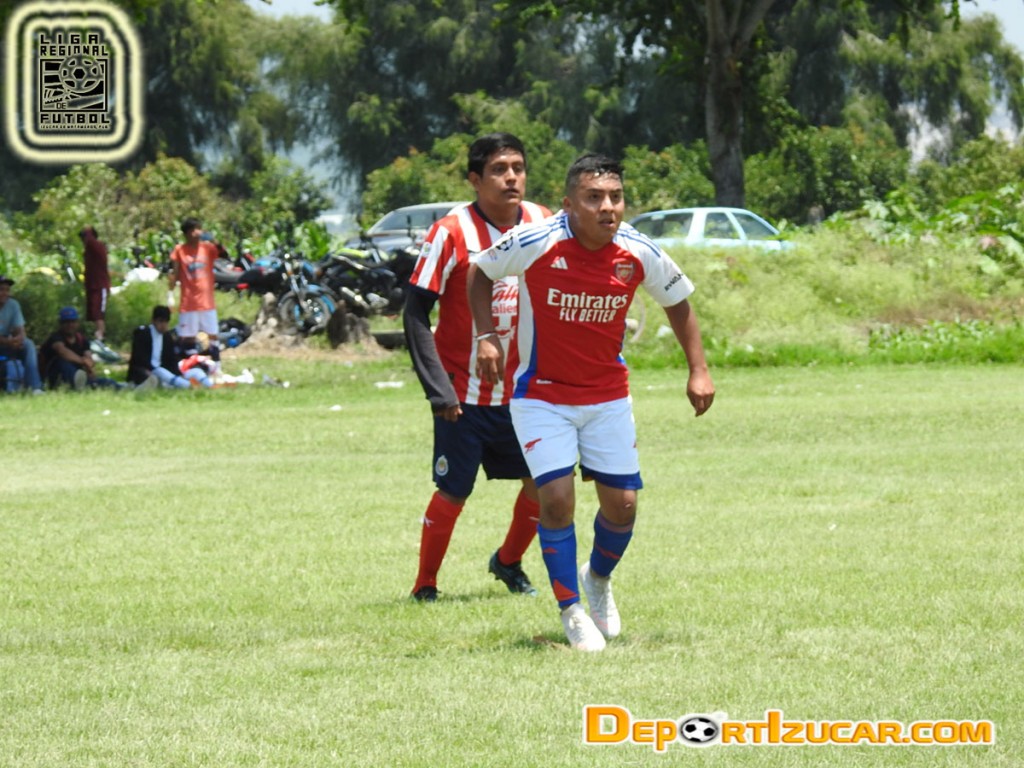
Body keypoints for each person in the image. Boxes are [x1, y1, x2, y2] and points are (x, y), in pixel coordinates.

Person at [468, 153, 715, 651]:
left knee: (623, 508)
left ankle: (596, 579)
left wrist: (699, 369)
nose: (608, 207)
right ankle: (571, 609)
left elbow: (678, 302)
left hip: (607, 396)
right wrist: (486, 336)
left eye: (616, 197)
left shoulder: (637, 250)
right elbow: (481, 271)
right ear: (568, 204)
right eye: (594, 197)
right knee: (556, 499)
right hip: (542, 396)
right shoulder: (537, 241)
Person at [403, 132, 553, 602]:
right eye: (498, 169)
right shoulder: (451, 232)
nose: (511, 178)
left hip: (524, 391)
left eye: (518, 168)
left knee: (544, 484)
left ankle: (508, 561)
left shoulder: (543, 222)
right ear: (475, 179)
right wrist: (438, 390)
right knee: (454, 491)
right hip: (463, 394)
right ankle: (425, 584)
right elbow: (415, 312)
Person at [40, 306, 125, 390]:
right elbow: (61, 350)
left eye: (73, 322)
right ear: (61, 323)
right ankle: (81, 383)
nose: (70, 325)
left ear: (77, 323)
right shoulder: (55, 338)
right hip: (55, 376)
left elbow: (88, 357)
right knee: (61, 362)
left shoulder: (82, 340)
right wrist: (82, 361)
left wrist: (89, 367)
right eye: (66, 322)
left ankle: (120, 387)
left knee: (106, 382)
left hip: (80, 375)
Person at [127, 305, 210, 389]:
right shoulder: (143, 334)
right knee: (160, 371)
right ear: (153, 321)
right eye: (161, 321)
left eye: (166, 322)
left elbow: (171, 359)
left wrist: (178, 373)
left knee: (197, 371)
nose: (163, 325)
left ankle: (209, 385)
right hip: (147, 373)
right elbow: (138, 359)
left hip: (167, 374)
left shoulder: (167, 337)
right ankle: (189, 387)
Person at [168, 217, 219, 350]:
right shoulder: (179, 250)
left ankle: (215, 361)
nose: (198, 232)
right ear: (187, 233)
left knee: (212, 334)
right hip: (188, 302)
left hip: (207, 302)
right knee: (187, 337)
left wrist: (213, 239)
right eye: (194, 230)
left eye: (199, 229)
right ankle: (189, 360)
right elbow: (175, 273)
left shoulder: (208, 248)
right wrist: (170, 295)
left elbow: (223, 253)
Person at [0, 274, 45, 394]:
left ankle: (35, 387)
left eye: (7, 290)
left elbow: (20, 328)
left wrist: (19, 339)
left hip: (8, 344)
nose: (5, 293)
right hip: (5, 342)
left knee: (28, 344)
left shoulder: (13, 305)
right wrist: (8, 342)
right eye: (1, 289)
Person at [80, 226, 112, 349]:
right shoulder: (89, 250)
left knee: (98, 314)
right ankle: (96, 338)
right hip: (92, 286)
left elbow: (90, 241)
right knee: (93, 314)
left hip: (100, 286)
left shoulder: (96, 246)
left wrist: (88, 233)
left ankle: (100, 339)